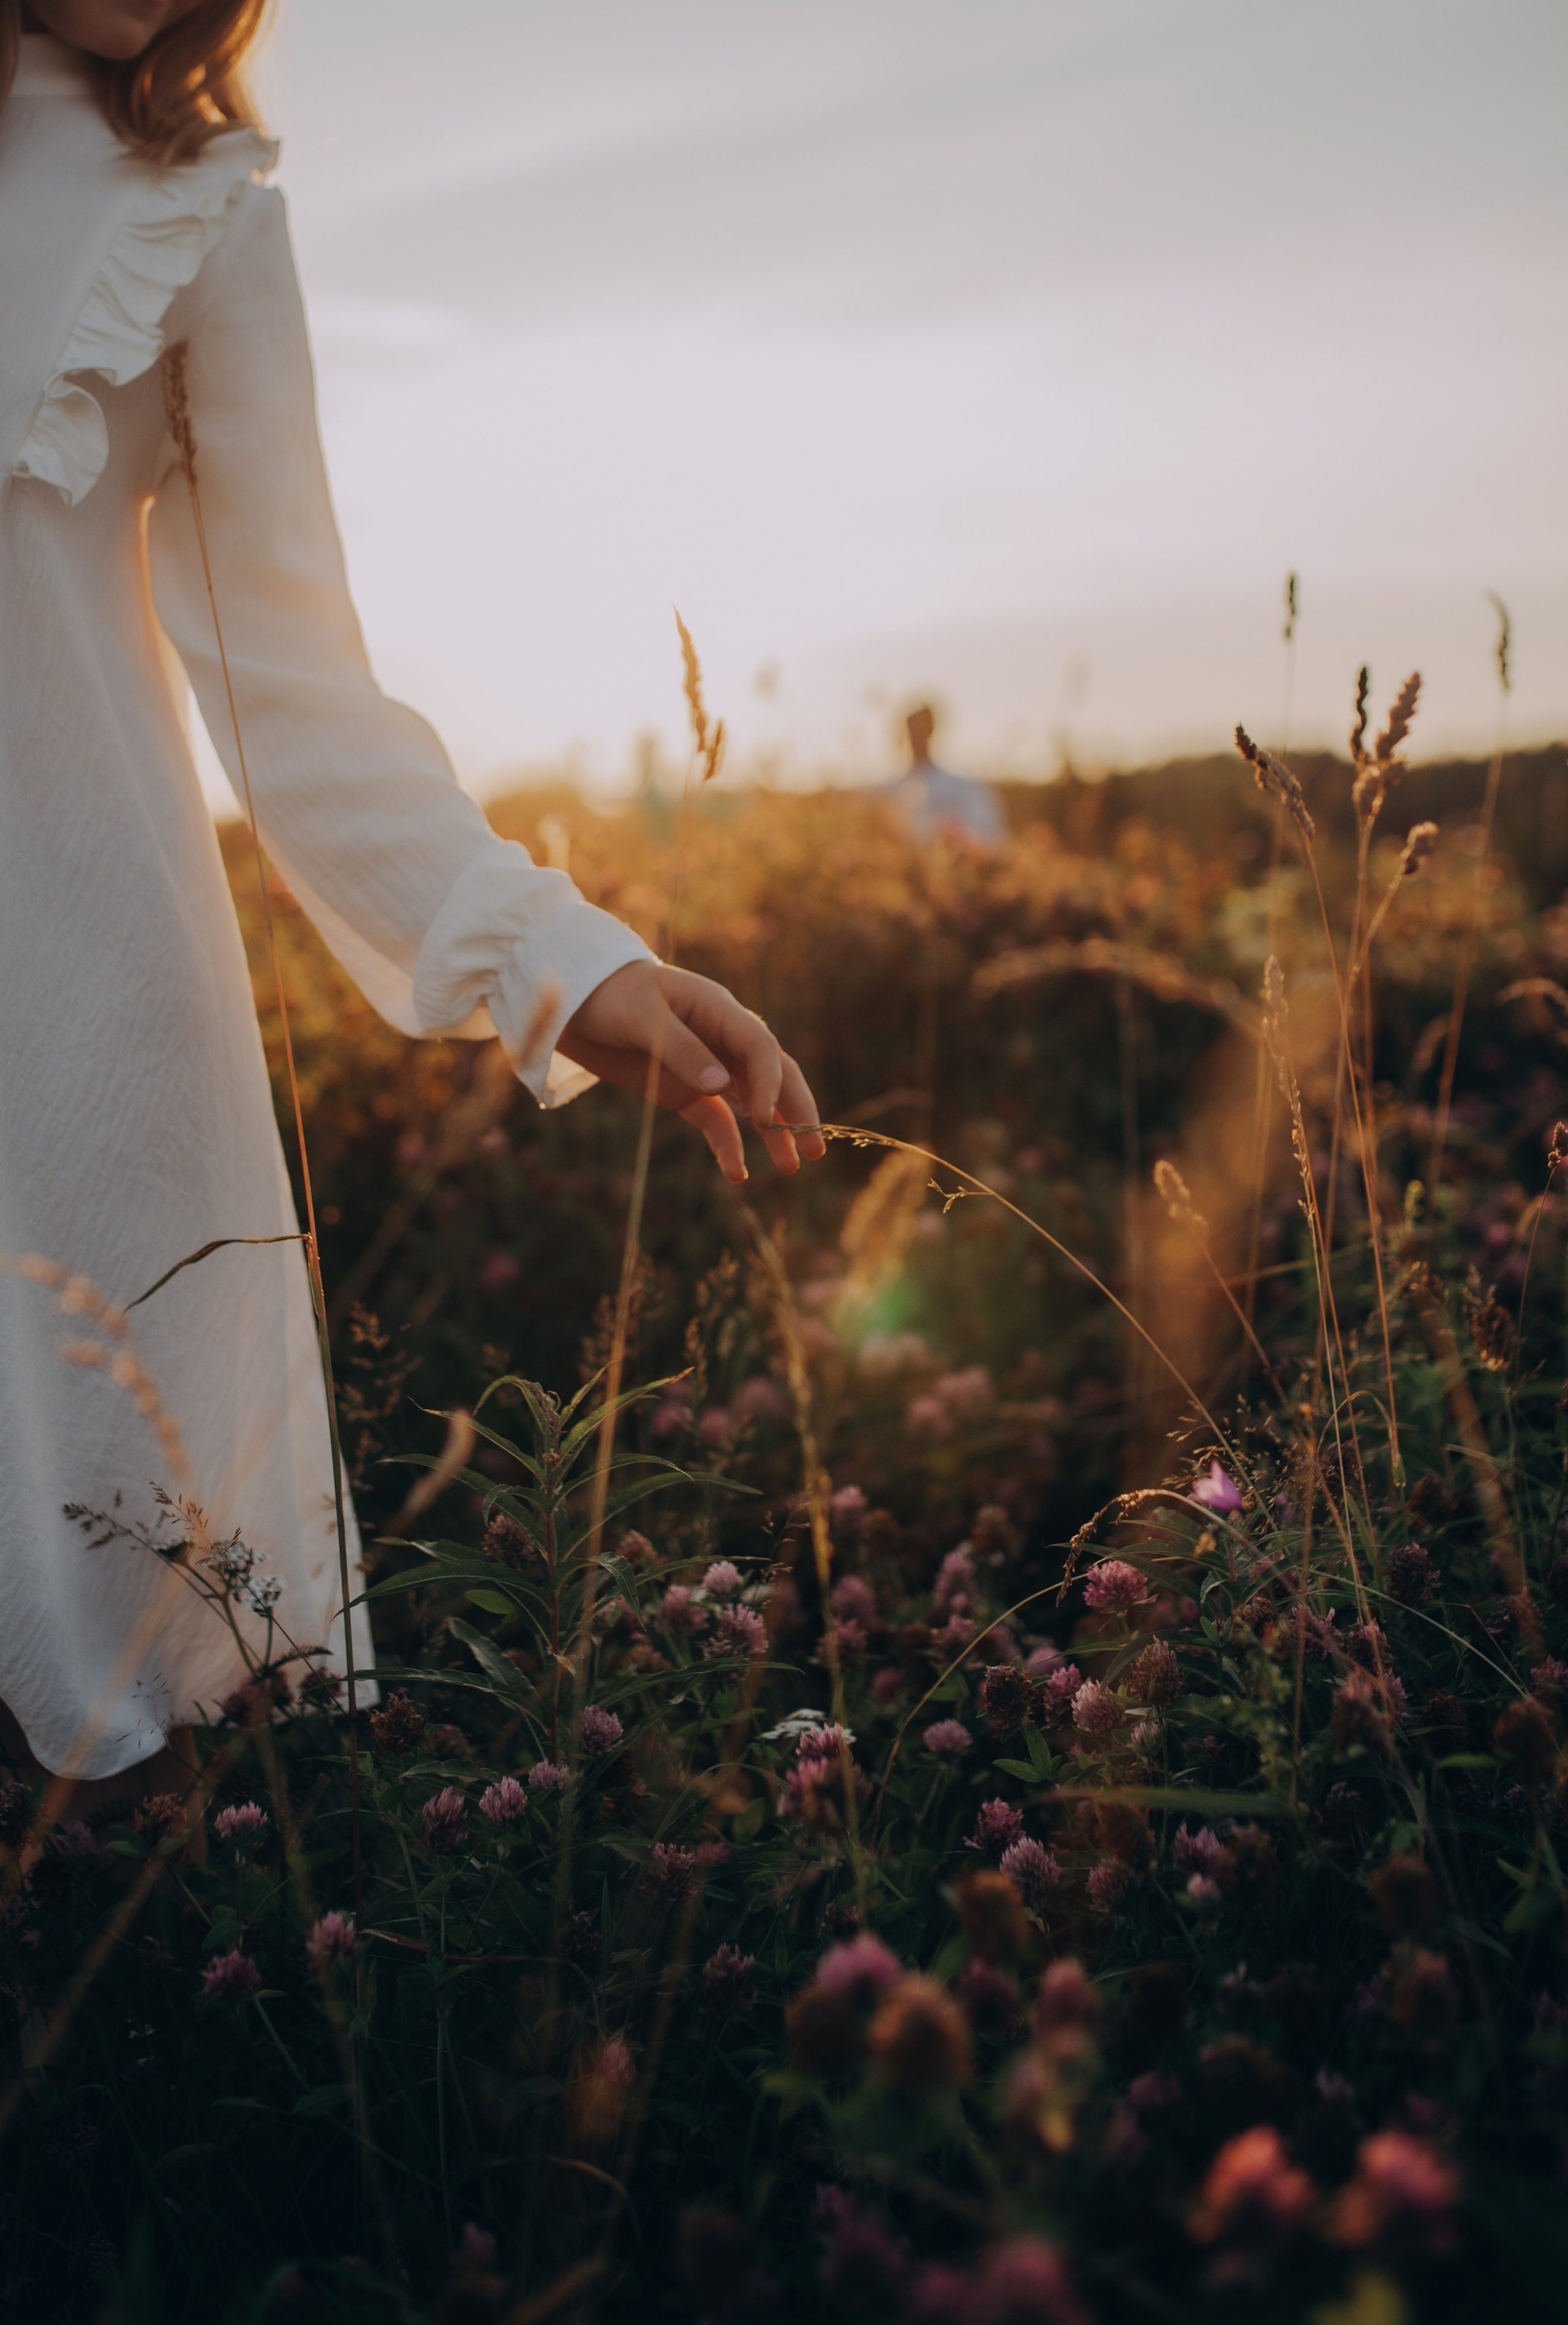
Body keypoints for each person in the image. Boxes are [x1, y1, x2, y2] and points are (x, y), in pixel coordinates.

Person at [0, 0, 823, 1813]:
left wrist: (561, 960)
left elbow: (295, 690)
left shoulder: (189, 197)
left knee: (131, 1792)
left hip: (81, 1061)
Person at [882, 703, 1005, 845]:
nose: (918, 734)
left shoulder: (961, 786)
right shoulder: (889, 789)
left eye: (923, 728)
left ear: (932, 731)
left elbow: (990, 828)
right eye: (914, 728)